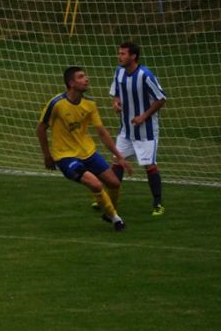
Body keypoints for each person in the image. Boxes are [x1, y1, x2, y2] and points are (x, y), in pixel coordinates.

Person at [36, 66, 132, 231]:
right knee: (95, 185)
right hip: (65, 156)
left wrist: (119, 156)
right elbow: (41, 129)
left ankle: (108, 213)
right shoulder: (56, 104)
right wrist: (47, 155)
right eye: (81, 77)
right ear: (71, 83)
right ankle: (116, 219)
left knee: (114, 183)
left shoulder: (90, 104)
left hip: (88, 153)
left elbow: (101, 131)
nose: (86, 79)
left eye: (85, 76)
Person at [109, 41, 167, 216]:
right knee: (117, 162)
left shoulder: (145, 75)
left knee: (149, 165)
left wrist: (144, 116)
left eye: (123, 54)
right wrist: (116, 103)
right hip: (126, 130)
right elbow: (116, 93)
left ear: (133, 56)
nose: (119, 56)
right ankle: (110, 201)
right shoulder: (119, 72)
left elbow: (161, 98)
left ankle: (158, 203)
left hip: (146, 130)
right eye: (119, 53)